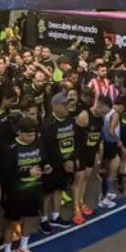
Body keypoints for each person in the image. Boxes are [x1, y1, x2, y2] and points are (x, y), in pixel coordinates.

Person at [0, 117, 48, 252]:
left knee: (30, 219)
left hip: (34, 190)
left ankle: (23, 247)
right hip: (15, 193)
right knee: (11, 223)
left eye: (33, 135)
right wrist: (27, 171)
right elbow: (5, 171)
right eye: (27, 135)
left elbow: (44, 159)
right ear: (19, 132)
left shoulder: (38, 144)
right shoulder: (10, 148)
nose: (31, 138)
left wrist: (46, 166)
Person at [41, 92, 78, 229]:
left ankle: (55, 216)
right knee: (48, 192)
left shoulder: (70, 120)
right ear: (55, 106)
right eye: (64, 104)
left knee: (59, 190)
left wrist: (72, 159)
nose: (68, 106)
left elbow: (74, 141)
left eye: (68, 103)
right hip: (52, 164)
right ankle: (44, 218)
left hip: (66, 163)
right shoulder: (48, 124)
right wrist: (64, 162)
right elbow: (48, 148)